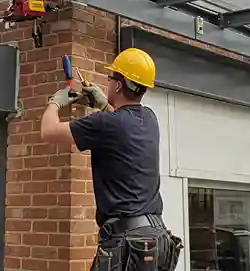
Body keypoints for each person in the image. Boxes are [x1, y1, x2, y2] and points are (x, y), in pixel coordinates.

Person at [40, 48, 183, 271]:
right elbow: (120, 124)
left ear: (118, 85)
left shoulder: (106, 123)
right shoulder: (150, 119)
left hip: (127, 241)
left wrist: (54, 102)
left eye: (110, 79)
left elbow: (48, 131)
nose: (107, 84)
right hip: (155, 237)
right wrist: (103, 103)